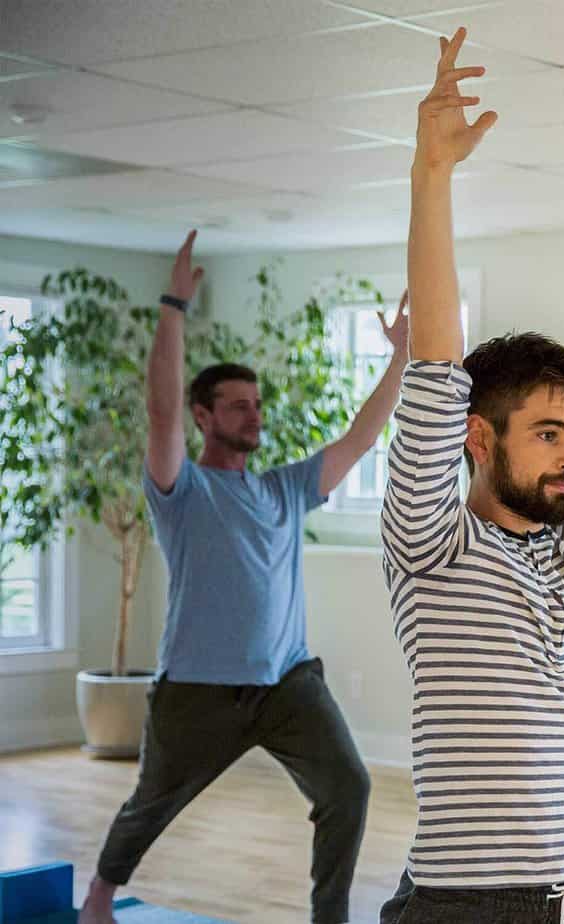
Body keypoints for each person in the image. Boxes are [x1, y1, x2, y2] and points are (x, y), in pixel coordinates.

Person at [376, 26, 564, 924]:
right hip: (474, 905)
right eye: (547, 433)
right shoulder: (433, 546)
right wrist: (431, 177)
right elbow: (434, 360)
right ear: (477, 437)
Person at [80, 233, 408, 924]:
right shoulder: (183, 489)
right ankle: (101, 896)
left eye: (256, 404)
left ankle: (330, 919)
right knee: (151, 802)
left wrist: (402, 358)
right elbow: (161, 410)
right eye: (237, 405)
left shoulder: (285, 489)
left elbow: (359, 438)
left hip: (287, 682)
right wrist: (173, 307)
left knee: (347, 785)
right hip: (199, 688)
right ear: (205, 416)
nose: (254, 414)